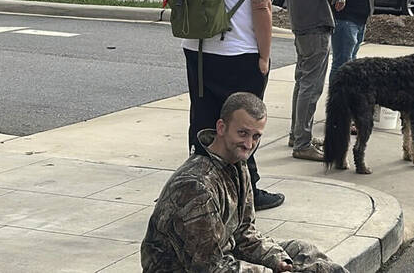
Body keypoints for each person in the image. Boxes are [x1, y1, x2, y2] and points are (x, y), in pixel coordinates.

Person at [141, 92, 348, 273]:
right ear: (221, 127)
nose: (249, 144)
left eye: (256, 136)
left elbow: (244, 233)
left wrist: (278, 261)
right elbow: (208, 267)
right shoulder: (195, 186)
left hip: (224, 259)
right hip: (192, 268)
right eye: (242, 133)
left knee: (304, 253)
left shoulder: (238, 164)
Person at [183, 0, 283, 210]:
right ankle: (246, 193)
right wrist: (265, 55)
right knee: (245, 126)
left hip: (198, 49)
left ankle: (197, 190)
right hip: (239, 52)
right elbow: (261, 4)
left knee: (205, 120)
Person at [284, 0, 346, 162]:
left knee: (302, 80)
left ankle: (297, 133)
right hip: (315, 22)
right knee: (312, 84)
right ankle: (302, 142)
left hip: (301, 21)